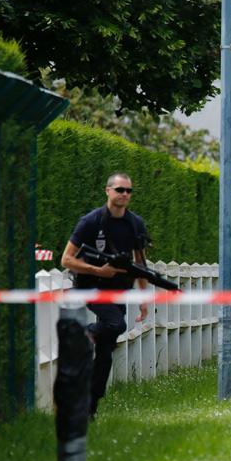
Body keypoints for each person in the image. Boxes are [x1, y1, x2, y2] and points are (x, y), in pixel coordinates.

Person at [60, 173, 150, 419]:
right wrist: (97, 270)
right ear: (107, 191)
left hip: (120, 291)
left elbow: (140, 264)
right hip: (92, 287)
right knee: (115, 324)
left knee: (105, 352)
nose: (124, 195)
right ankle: (85, 332)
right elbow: (66, 259)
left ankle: (90, 406)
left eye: (129, 191)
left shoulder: (135, 224)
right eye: (120, 189)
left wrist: (144, 298)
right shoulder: (91, 222)